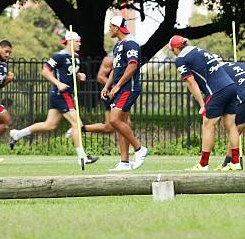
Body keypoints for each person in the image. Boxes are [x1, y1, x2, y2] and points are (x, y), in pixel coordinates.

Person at [9, 31, 98, 166]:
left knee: (50, 125)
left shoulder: (77, 57)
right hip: (61, 94)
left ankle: (18, 134)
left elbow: (71, 71)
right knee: (77, 125)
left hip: (65, 95)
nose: (80, 43)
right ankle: (82, 157)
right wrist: (58, 83)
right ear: (70, 41)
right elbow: (45, 71)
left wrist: (79, 75)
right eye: (77, 41)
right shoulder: (59, 56)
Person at [168, 35, 240, 171]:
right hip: (231, 86)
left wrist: (202, 104)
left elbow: (190, 82)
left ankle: (203, 164)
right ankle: (235, 162)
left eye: (172, 51)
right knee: (231, 125)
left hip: (217, 91)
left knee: (207, 124)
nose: (174, 54)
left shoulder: (181, 59)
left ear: (176, 48)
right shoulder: (199, 50)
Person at [100, 16, 148, 171]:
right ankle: (124, 162)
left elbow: (132, 66)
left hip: (129, 88)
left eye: (110, 26)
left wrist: (118, 86)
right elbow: (116, 69)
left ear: (117, 27)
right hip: (121, 88)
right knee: (122, 124)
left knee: (114, 120)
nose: (109, 29)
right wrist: (107, 86)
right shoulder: (118, 45)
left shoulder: (131, 43)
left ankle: (140, 149)